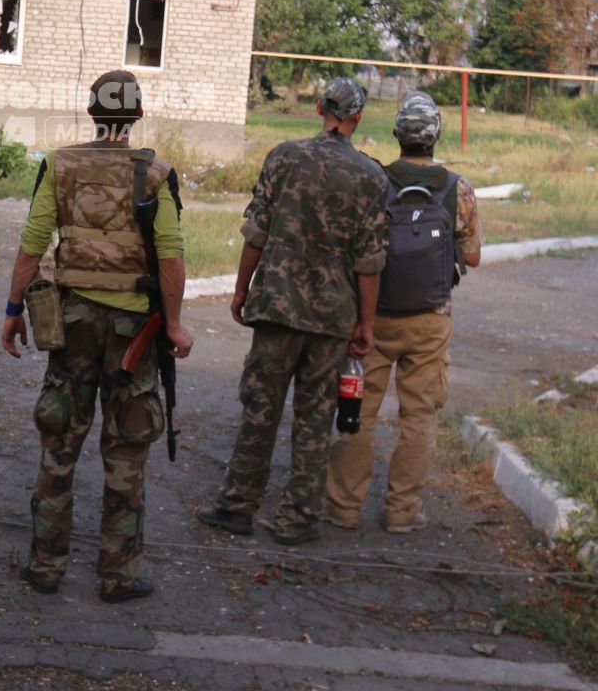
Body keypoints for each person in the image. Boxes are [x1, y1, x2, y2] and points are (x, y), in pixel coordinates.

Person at [2, 69, 193, 603]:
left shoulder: (58, 165)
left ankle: (45, 565)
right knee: (127, 447)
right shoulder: (155, 172)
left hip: (73, 325)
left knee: (60, 440)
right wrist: (174, 324)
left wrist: (14, 309)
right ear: (135, 116)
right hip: (135, 332)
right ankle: (118, 574)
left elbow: (34, 241)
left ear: (92, 113)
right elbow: (172, 257)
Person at [198, 78, 388, 547]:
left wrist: (241, 290)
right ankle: (297, 518)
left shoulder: (283, 157)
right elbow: (370, 262)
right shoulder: (371, 177)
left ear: (320, 107)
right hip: (332, 318)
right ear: (358, 116)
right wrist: (365, 322)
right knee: (315, 416)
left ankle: (237, 506)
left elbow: (256, 231)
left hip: (277, 310)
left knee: (260, 408)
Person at [325, 91, 482, 534]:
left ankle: (344, 507)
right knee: (419, 417)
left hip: (371, 317)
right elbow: (471, 258)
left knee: (359, 411)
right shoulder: (459, 189)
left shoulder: (376, 180)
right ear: (436, 136)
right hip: (430, 320)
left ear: (398, 134)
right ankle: (401, 512)